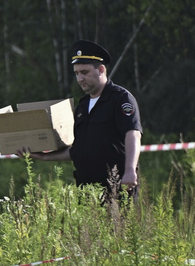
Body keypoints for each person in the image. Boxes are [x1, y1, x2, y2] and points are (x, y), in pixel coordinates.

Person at [22, 40, 142, 201]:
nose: (80, 78)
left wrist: (130, 170)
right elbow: (78, 150)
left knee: (118, 219)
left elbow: (133, 134)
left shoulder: (120, 99)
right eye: (77, 73)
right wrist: (43, 156)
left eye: (84, 72)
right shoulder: (82, 105)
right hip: (86, 190)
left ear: (101, 70)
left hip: (117, 186)